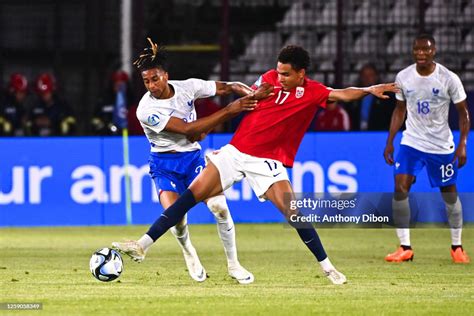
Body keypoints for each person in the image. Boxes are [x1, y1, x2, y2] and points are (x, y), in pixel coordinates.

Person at [113, 44, 398, 285]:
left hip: (268, 161)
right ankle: (142, 245)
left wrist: (369, 89)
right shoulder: (269, 80)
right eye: (278, 71)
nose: (279, 77)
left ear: (301, 74)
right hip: (236, 152)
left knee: (294, 213)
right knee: (188, 199)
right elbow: (249, 98)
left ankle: (327, 266)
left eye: (286, 74)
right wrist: (248, 97)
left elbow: (342, 93)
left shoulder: (312, 92)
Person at [114, 38, 271, 284]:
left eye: (155, 78)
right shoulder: (146, 110)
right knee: (175, 217)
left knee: (219, 207)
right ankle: (189, 253)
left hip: (192, 159)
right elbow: (188, 130)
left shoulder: (188, 87)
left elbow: (227, 86)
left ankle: (234, 265)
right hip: (164, 165)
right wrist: (231, 110)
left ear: (166, 75)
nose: (151, 85)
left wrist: (250, 93)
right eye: (146, 81)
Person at [383, 34, 470, 263]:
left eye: (426, 49)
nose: (421, 53)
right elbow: (399, 110)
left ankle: (457, 247)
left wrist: (462, 144)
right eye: (417, 49)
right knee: (400, 187)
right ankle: (404, 247)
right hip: (411, 142)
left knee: (449, 195)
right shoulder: (404, 77)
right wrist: (390, 141)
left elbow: (464, 114)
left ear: (434, 51)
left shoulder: (448, 78)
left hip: (441, 146)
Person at [345, 63, 396, 131]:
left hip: (379, 135)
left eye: (370, 75)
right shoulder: (354, 96)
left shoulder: (386, 97)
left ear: (376, 77)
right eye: (364, 75)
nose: (367, 78)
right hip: (356, 135)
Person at [91, 70, 142, 135]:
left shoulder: (133, 101)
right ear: (112, 85)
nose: (119, 87)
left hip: (130, 136)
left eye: (122, 84)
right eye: (116, 84)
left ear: (126, 85)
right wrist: (104, 127)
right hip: (108, 136)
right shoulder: (104, 101)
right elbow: (95, 120)